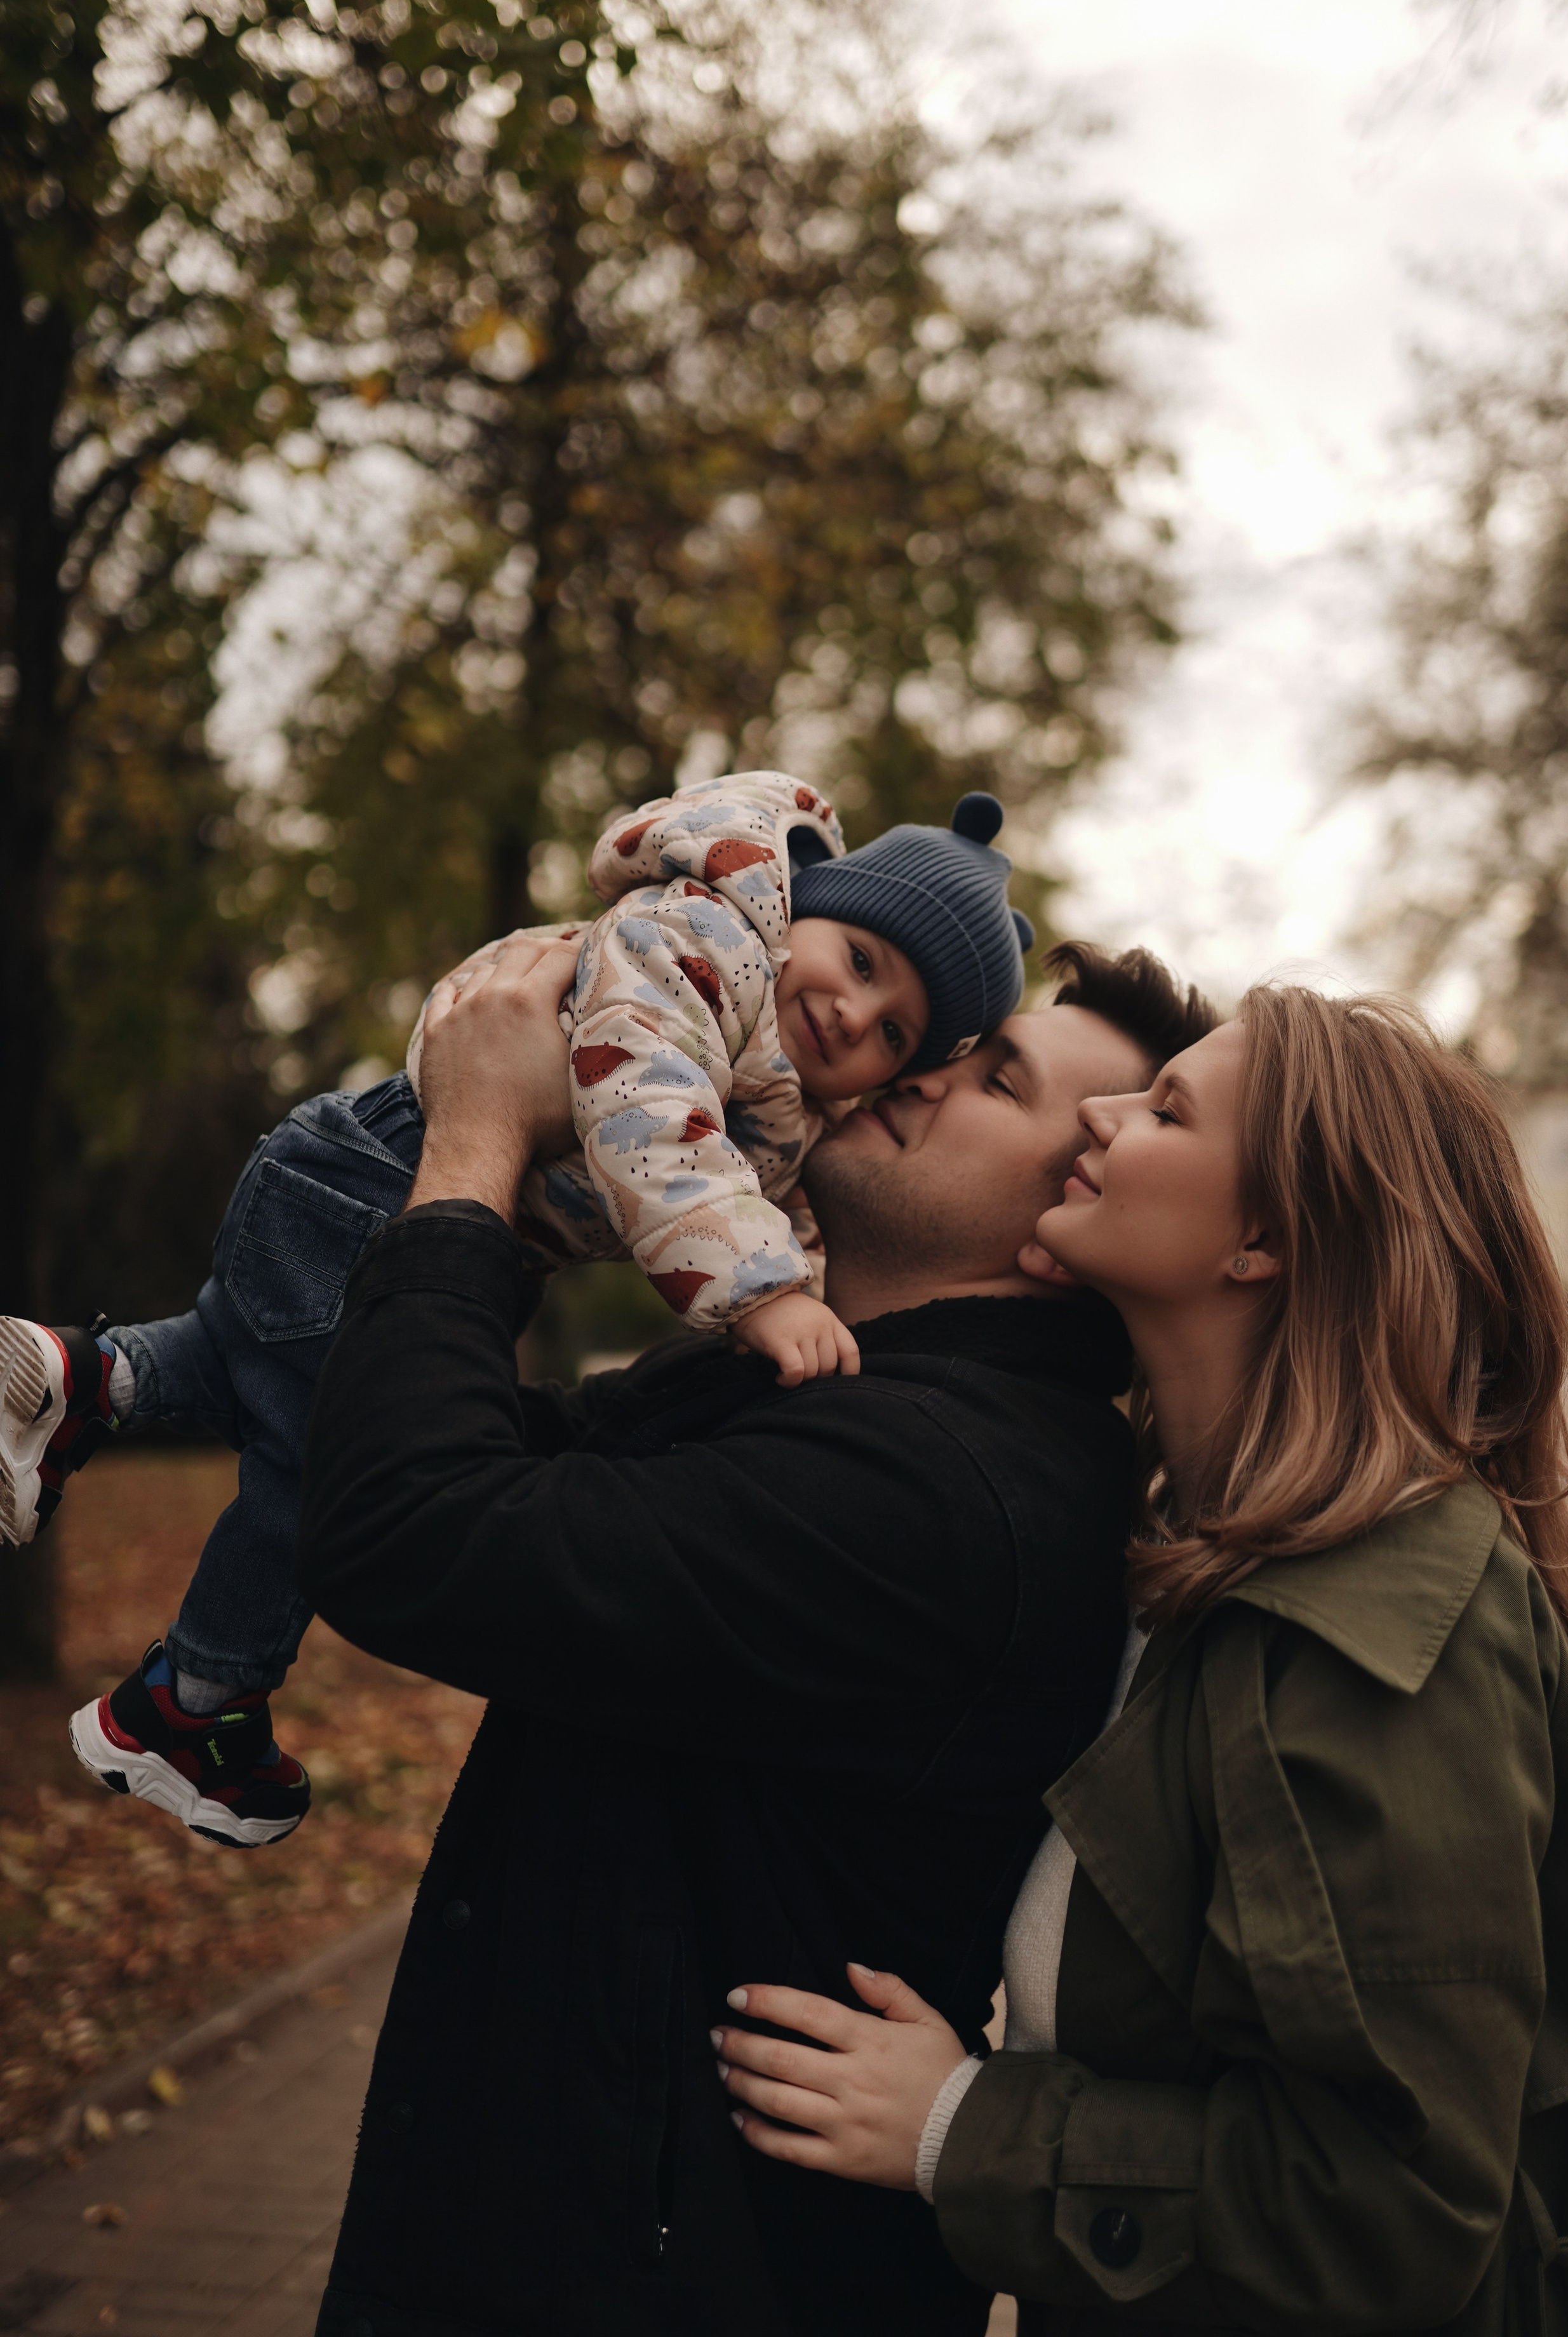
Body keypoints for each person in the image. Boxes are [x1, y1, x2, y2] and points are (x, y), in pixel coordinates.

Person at [293, 932, 1217, 2337]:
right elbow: (410, 1442)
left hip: (666, 2275)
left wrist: (478, 1146)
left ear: (1065, 1216)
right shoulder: (835, 1395)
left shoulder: (937, 1492)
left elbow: (409, 1531)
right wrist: (571, 1173)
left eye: (995, 1077)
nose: (921, 1068)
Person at [713, 984, 1568, 2337]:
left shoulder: (1371, 1631)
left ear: (1262, 1240)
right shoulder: (1177, 1541)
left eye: (1165, 1109)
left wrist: (959, 2128)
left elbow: (1385, 2209)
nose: (1099, 1110)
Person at [0, 770, 1033, 1847]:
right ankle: (191, 1703)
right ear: (812, 905)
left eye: (896, 1034)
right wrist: (761, 1295)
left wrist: (826, 1308)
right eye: (861, 962)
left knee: (241, 1355)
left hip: (346, 1178)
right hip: (391, 1178)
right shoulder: (708, 944)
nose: (854, 1013)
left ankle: (75, 1379)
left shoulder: (780, 1083)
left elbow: (780, 1208)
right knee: (316, 1469)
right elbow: (648, 1109)